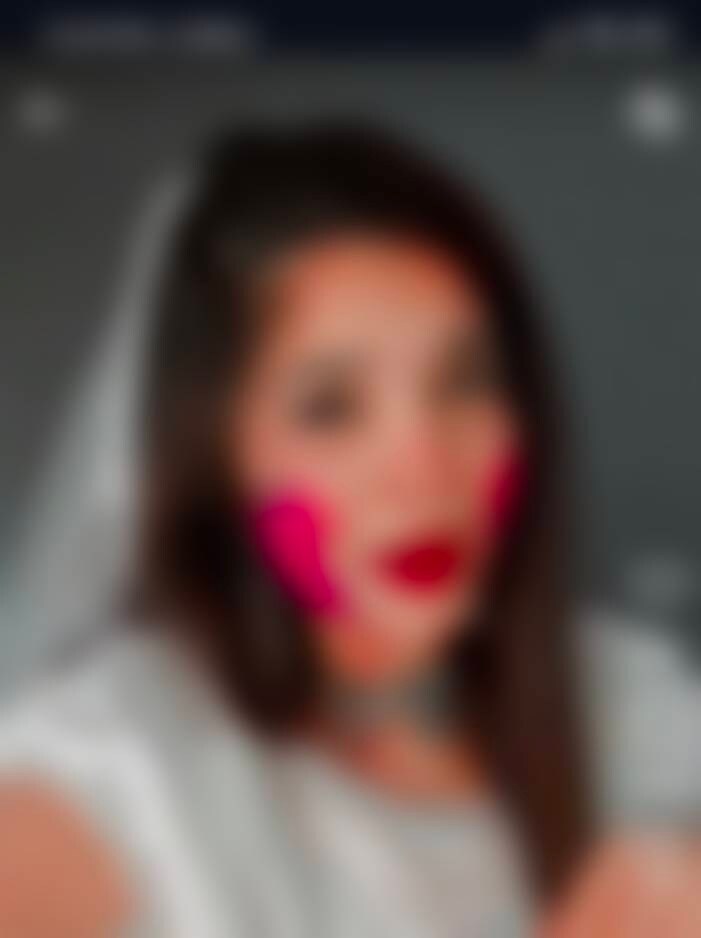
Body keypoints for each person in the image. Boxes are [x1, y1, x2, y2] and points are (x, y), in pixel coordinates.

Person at [0, 118, 698, 938]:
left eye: (466, 382)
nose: (425, 468)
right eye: (330, 408)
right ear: (213, 455)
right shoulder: (103, 779)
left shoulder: (629, 707)